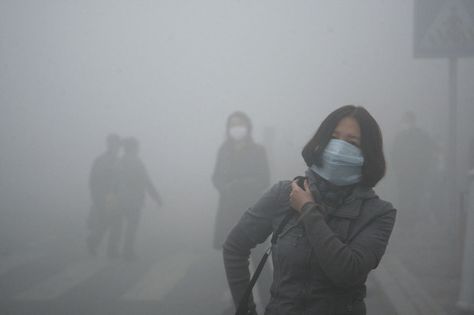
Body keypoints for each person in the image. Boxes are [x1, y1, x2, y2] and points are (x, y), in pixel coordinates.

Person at [223, 105, 396, 315]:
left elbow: (347, 273)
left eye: (352, 142)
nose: (339, 148)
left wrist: (307, 209)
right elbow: (234, 247)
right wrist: (245, 311)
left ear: (367, 153)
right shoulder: (284, 193)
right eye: (334, 137)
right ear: (322, 142)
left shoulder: (378, 213)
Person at [212, 111, 272, 309]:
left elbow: (265, 178)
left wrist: (245, 184)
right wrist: (226, 187)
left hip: (253, 211)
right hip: (228, 210)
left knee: (259, 259)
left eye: (240, 124)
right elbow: (215, 177)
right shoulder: (224, 150)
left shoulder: (258, 150)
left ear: (248, 127)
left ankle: (268, 299)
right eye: (233, 125)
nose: (236, 128)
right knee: (233, 257)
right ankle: (241, 303)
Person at [108, 137, 162, 260]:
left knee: (117, 226)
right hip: (134, 201)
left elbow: (112, 183)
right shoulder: (137, 163)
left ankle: (112, 250)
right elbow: (147, 181)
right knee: (131, 227)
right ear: (133, 148)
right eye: (137, 147)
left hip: (119, 200)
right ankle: (127, 251)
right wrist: (157, 197)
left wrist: (110, 200)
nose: (139, 149)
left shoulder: (119, 162)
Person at [86, 133, 122, 256]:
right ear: (108, 144)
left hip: (115, 197)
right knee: (106, 222)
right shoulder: (100, 160)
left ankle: (109, 248)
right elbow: (93, 180)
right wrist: (96, 197)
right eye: (112, 144)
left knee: (114, 223)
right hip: (104, 196)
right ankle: (94, 242)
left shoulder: (119, 161)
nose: (115, 147)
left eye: (117, 144)